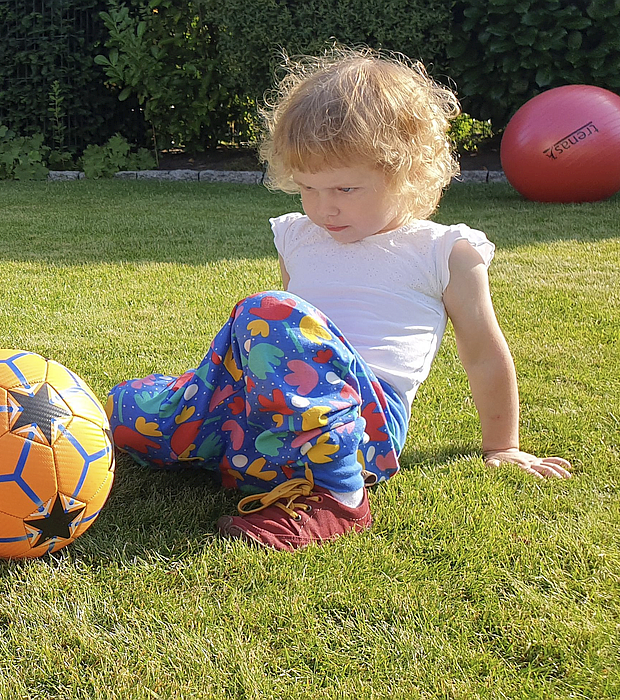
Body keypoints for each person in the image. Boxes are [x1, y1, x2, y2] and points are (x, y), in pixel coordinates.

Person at [106, 47, 571, 552]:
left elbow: (482, 353)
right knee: (125, 409)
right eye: (307, 187)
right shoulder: (298, 236)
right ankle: (233, 450)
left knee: (268, 311)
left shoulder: (444, 251)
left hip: (360, 425)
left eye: (346, 188)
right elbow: (281, 355)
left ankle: (339, 496)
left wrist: (502, 446)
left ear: (408, 172)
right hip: (266, 415)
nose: (324, 207)